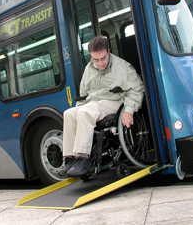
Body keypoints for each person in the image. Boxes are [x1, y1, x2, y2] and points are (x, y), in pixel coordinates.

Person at [58, 35, 144, 177]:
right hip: (94, 104)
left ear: (108, 51)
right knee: (69, 113)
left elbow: (137, 90)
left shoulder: (122, 67)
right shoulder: (89, 69)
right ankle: (69, 159)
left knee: (86, 111)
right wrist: (78, 113)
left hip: (115, 102)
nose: (101, 63)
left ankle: (82, 159)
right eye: (96, 60)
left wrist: (128, 111)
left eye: (103, 58)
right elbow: (84, 96)